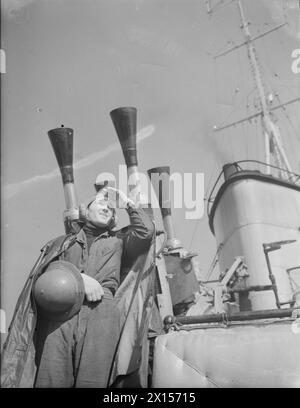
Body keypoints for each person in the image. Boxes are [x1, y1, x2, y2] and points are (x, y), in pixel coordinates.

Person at [1, 187, 154, 388]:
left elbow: (146, 230)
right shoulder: (60, 243)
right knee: (51, 379)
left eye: (111, 208)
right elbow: (43, 276)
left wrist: (125, 201)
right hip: (59, 316)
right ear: (85, 211)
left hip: (102, 315)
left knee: (93, 382)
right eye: (100, 203)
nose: (107, 208)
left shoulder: (120, 240)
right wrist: (78, 279)